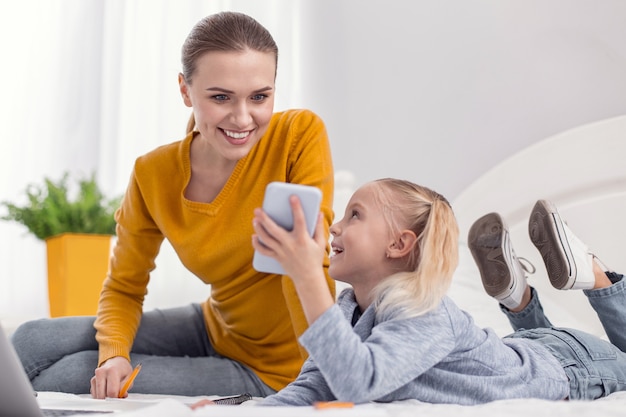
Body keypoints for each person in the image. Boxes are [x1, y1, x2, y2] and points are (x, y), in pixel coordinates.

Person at [11, 11, 335, 399]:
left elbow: (308, 267)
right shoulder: (154, 173)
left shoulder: (298, 136)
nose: (243, 117)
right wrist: (113, 354)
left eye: (259, 97)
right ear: (185, 91)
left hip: (272, 370)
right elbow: (125, 286)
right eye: (220, 97)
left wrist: (316, 378)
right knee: (28, 340)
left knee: (65, 378)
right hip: (212, 324)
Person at [194, 179, 626, 408]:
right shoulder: (349, 310)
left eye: (354, 215)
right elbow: (312, 387)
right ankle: (518, 299)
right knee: (524, 354)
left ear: (399, 245)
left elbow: (358, 382)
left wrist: (307, 277)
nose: (335, 227)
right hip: (526, 348)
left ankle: (595, 277)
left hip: (575, 366)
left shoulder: (424, 310)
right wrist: (238, 411)